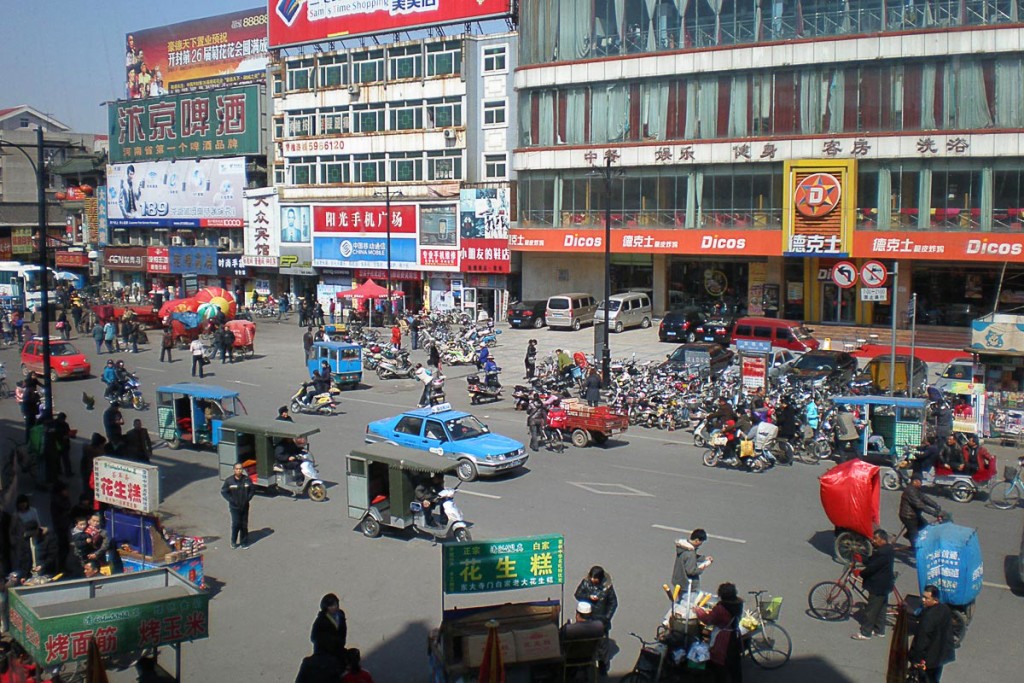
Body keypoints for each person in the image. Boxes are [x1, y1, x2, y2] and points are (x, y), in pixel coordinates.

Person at [695, 582, 744, 683]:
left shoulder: (720, 609)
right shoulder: (739, 604)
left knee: (720, 664)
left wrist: (699, 611)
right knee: (735, 665)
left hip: (723, 639)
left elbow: (708, 620)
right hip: (734, 636)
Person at [851, 529, 895, 640]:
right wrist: (862, 559)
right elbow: (872, 561)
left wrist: (860, 573)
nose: (873, 541)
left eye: (876, 539)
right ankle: (879, 630)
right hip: (886, 584)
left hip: (878, 585)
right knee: (881, 608)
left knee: (871, 609)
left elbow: (872, 568)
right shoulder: (887, 549)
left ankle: (865, 633)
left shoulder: (882, 553)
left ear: (882, 540)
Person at [573, 565, 617, 675]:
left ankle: (602, 664)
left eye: (595, 578)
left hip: (601, 619)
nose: (593, 580)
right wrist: (588, 596)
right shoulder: (586, 583)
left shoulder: (607, 587)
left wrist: (606, 618)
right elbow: (578, 594)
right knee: (585, 643)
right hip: (586, 617)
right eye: (592, 577)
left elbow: (613, 603)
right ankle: (585, 662)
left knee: (602, 644)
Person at [908, 585, 956, 682]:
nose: (923, 600)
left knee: (926, 679)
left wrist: (917, 660)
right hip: (940, 655)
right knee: (935, 678)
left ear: (935, 600)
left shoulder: (928, 618)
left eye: (926, 598)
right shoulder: (944, 609)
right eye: (923, 596)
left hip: (929, 659)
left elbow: (922, 641)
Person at [899, 475, 943, 546]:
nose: (921, 483)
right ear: (915, 481)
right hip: (908, 516)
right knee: (914, 534)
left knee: (925, 526)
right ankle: (915, 548)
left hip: (915, 515)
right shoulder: (910, 491)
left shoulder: (917, 489)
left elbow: (925, 498)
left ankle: (908, 534)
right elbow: (919, 505)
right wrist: (933, 513)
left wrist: (935, 505)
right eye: (920, 482)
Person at [221, 463, 255, 548]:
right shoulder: (229, 481)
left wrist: (248, 498)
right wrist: (231, 500)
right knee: (236, 524)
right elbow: (224, 492)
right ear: (234, 470)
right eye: (237, 469)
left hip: (245, 506)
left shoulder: (247, 480)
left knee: (244, 524)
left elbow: (252, 490)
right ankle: (233, 541)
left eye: (240, 469)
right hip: (234, 507)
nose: (239, 470)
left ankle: (244, 542)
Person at [310, 593, 347, 665]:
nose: (334, 607)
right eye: (330, 606)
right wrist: (329, 641)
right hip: (326, 653)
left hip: (339, 649)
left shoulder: (340, 614)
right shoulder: (321, 620)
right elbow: (314, 637)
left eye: (335, 604)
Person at [673, 529, 713, 595]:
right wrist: (702, 568)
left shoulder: (684, 548)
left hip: (679, 580)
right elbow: (691, 571)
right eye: (701, 542)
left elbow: (690, 558)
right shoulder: (690, 553)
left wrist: (703, 558)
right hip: (687, 585)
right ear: (697, 540)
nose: (701, 544)